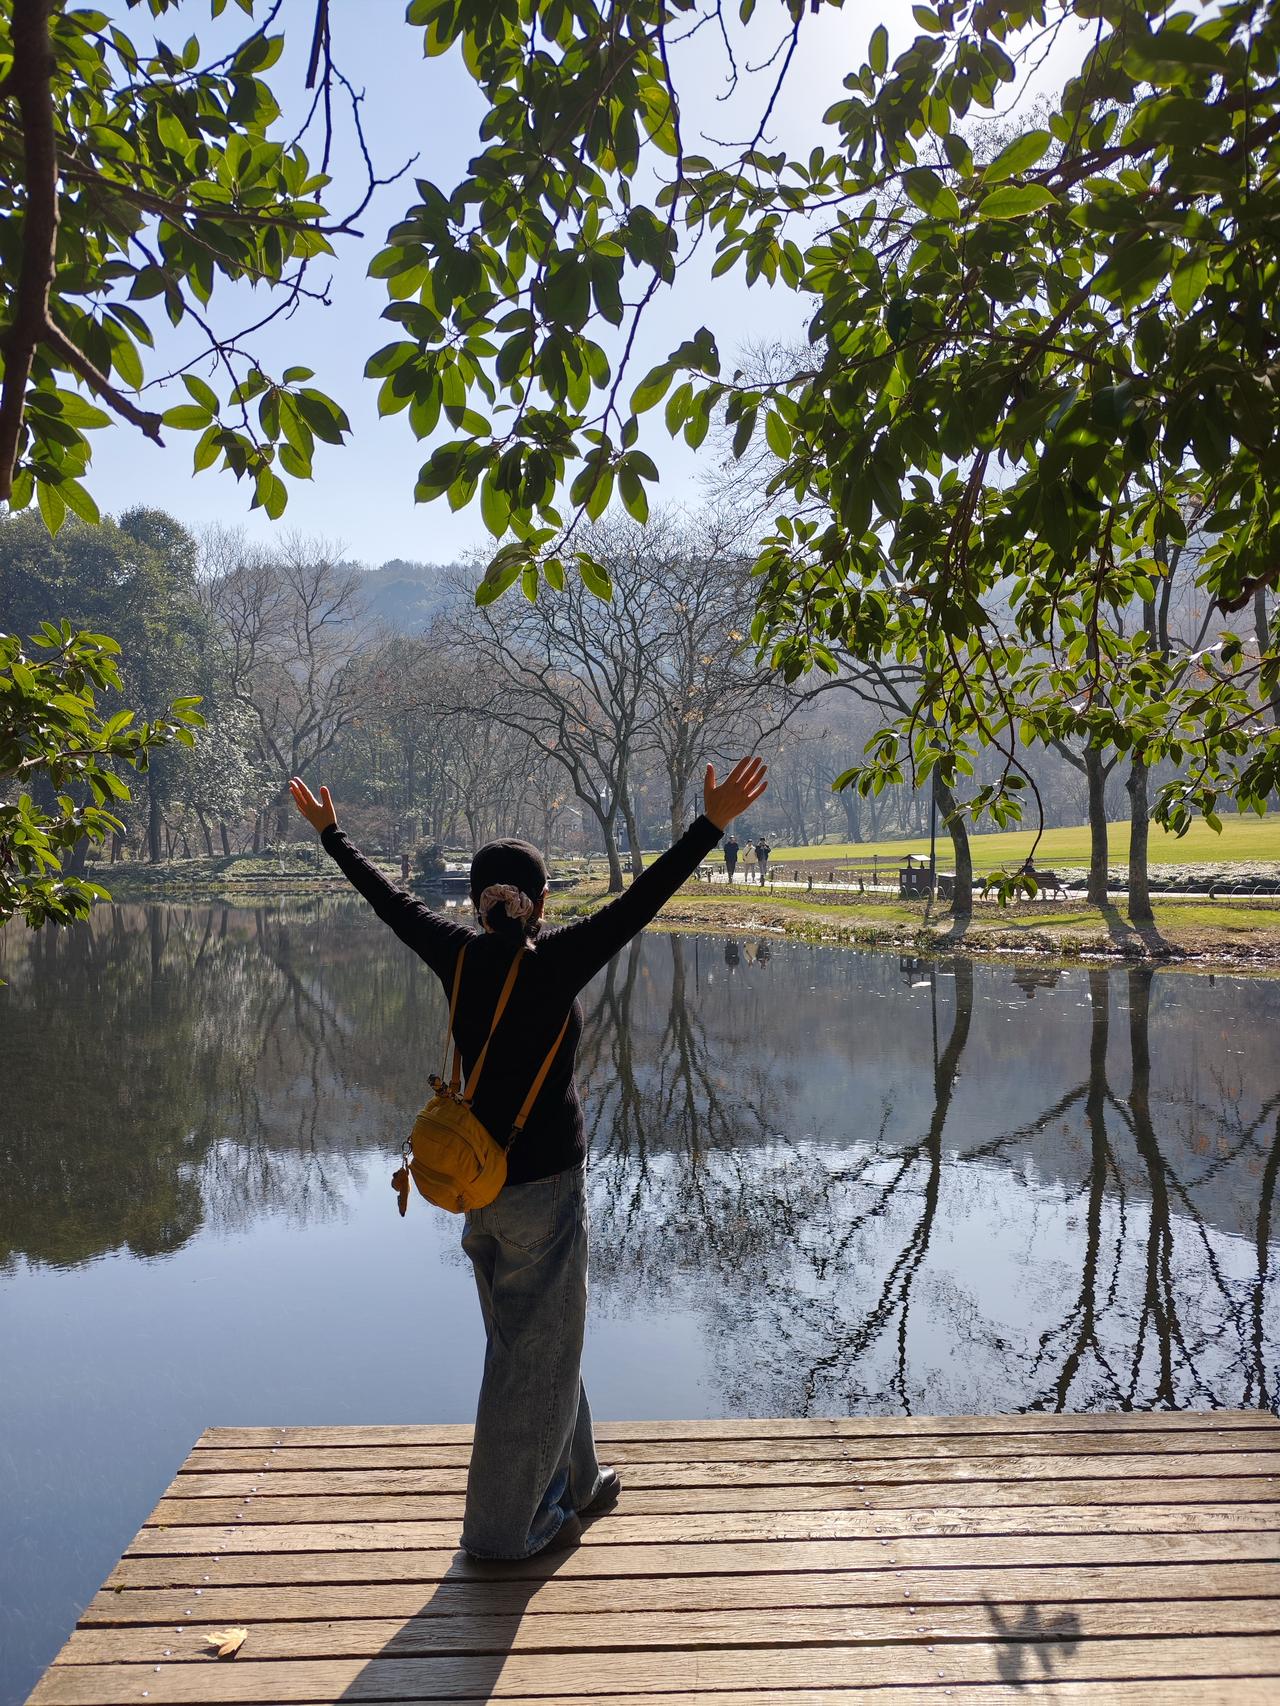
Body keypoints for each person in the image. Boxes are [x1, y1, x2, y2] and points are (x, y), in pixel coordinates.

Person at [288, 756, 768, 1562]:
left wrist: (333, 836)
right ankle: (507, 1530)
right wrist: (709, 825)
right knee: (532, 1355)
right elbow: (641, 901)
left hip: (478, 1183)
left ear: (478, 906)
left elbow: (389, 902)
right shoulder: (557, 961)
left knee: (539, 1338)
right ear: (540, 904)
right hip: (545, 1188)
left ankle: (576, 1482)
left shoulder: (458, 954)